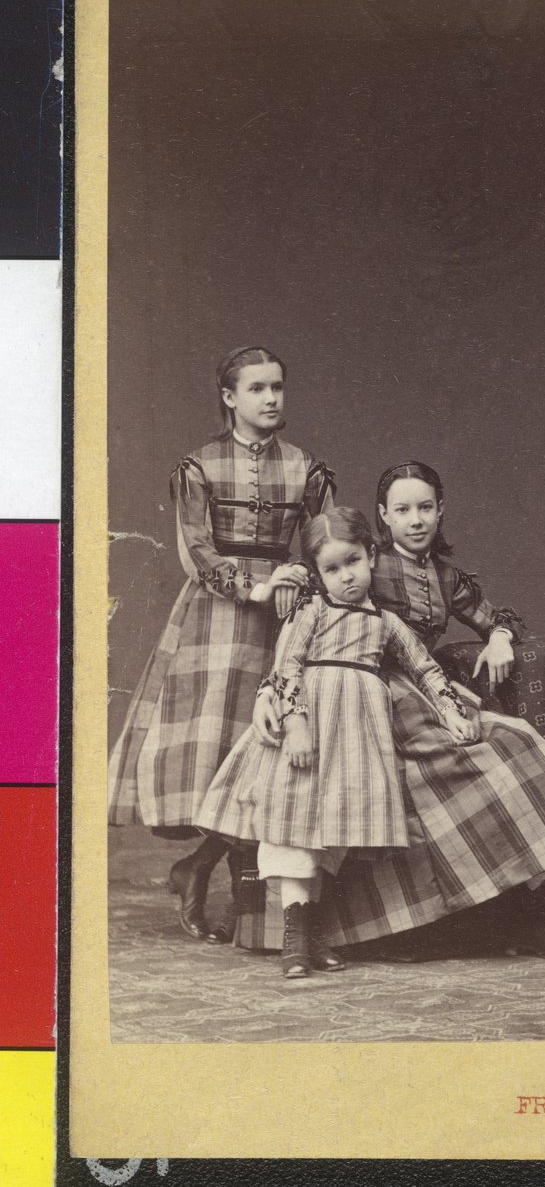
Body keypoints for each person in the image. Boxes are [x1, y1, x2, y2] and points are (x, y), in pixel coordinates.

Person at [239, 461, 545, 962]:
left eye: (425, 508)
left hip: (422, 693)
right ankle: (513, 914)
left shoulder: (445, 576)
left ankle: (538, 906)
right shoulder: (355, 562)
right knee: (459, 773)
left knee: (512, 744)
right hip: (359, 703)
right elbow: (297, 643)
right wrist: (269, 696)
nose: (416, 520)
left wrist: (500, 637)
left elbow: (495, 618)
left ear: (440, 511)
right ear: (383, 518)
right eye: (402, 510)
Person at [107, 346, 335, 941]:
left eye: (277, 387)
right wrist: (252, 588)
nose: (271, 398)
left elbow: (326, 545)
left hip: (284, 610)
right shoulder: (199, 466)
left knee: (265, 752)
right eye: (257, 388)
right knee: (221, 751)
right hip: (218, 615)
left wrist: (296, 580)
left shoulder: (307, 467)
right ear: (229, 398)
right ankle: (223, 886)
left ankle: (210, 876)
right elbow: (198, 549)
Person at [197, 508, 477, 978]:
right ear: (317, 573)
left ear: (371, 556)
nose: (346, 576)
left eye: (353, 562)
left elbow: (424, 668)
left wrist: (451, 710)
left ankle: (313, 935)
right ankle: (294, 940)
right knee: (294, 825)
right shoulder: (311, 610)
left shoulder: (385, 622)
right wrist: (296, 725)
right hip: (309, 726)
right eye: (331, 569)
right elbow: (287, 664)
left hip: (357, 735)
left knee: (330, 833)